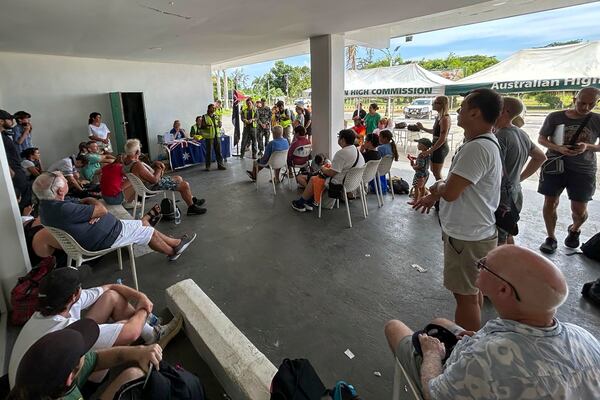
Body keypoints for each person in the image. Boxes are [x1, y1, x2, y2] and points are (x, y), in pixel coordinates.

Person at [384, 245, 600, 400]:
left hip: (463, 375)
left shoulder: (485, 358)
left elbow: (434, 394)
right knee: (440, 322)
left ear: (504, 290)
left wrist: (432, 354)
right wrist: (479, 340)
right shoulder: (584, 337)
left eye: (483, 265)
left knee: (394, 327)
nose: (478, 267)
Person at [412, 88, 503, 331]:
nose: (458, 111)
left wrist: (439, 186)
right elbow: (460, 187)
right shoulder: (483, 143)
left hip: (467, 237)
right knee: (472, 293)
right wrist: (434, 197)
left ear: (475, 113)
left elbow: (451, 190)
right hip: (473, 232)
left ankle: (466, 349)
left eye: (462, 108)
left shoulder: (477, 148)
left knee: (464, 297)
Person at [8, 267, 182, 388]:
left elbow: (111, 287)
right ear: (74, 295)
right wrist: (144, 309)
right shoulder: (64, 331)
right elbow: (131, 332)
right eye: (79, 286)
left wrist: (140, 296)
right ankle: (151, 336)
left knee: (111, 297)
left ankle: (152, 334)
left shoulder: (47, 309)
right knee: (125, 328)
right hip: (57, 389)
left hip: (27, 381)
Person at [32, 172, 196, 261]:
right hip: (103, 237)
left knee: (142, 224)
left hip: (94, 233)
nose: (68, 182)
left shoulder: (46, 207)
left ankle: (175, 243)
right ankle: (172, 250)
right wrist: (92, 203)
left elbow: (82, 205)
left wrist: (89, 212)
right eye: (66, 182)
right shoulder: (65, 209)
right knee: (146, 231)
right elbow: (101, 209)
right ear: (60, 191)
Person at [8, 319, 166, 399]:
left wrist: (139, 351)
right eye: (83, 351)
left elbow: (97, 357)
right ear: (70, 377)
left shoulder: (38, 381)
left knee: (133, 375)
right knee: (134, 376)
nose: (88, 350)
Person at [537, 87, 600, 254]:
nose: (586, 108)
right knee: (550, 203)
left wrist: (587, 146)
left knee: (579, 210)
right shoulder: (555, 117)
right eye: (582, 103)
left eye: (591, 104)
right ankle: (551, 238)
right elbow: (541, 139)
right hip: (555, 165)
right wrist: (558, 147)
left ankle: (575, 229)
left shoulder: (597, 119)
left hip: (583, 169)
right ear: (574, 99)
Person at [494, 97, 546, 245]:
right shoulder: (520, 133)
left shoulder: (500, 137)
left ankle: (499, 267)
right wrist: (519, 178)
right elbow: (540, 157)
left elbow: (493, 171)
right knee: (508, 232)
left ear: (503, 111)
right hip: (515, 192)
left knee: (498, 239)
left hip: (501, 196)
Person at [123, 139, 208, 215]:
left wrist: (153, 164)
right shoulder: (137, 165)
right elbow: (155, 180)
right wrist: (158, 169)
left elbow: (142, 172)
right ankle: (191, 208)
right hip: (151, 187)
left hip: (144, 186)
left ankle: (192, 200)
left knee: (178, 178)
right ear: (137, 152)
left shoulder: (126, 161)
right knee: (185, 185)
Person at [291, 129, 365, 212]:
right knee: (316, 177)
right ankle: (309, 201)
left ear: (343, 140)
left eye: (339, 137)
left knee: (313, 179)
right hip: (352, 183)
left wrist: (323, 168)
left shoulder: (342, 153)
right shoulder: (356, 150)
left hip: (339, 184)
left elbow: (331, 173)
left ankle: (301, 203)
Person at [1, 109, 32, 209]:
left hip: (17, 167)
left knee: (26, 193)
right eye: (9, 119)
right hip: (14, 169)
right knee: (22, 197)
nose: (12, 122)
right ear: (1, 121)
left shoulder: (5, 134)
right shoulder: (7, 134)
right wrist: (9, 170)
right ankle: (25, 221)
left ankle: (27, 218)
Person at [416, 96, 452, 180]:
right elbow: (435, 131)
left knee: (436, 172)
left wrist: (429, 151)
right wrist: (422, 128)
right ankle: (439, 189)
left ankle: (441, 190)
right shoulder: (439, 117)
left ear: (442, 105)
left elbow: (442, 138)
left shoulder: (445, 119)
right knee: (433, 170)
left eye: (435, 102)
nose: (433, 104)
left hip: (440, 148)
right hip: (436, 146)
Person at [200, 103, 226, 171]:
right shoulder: (204, 117)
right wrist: (207, 126)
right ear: (208, 109)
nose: (214, 109)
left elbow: (219, 124)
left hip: (217, 136)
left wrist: (220, 124)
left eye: (214, 108)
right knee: (209, 152)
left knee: (219, 152)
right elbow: (201, 126)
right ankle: (208, 166)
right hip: (209, 137)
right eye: (212, 108)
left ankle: (220, 165)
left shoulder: (216, 116)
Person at [408, 138, 432, 202]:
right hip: (426, 173)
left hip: (419, 174)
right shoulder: (427, 154)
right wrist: (416, 158)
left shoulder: (421, 155)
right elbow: (423, 161)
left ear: (424, 146)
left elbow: (420, 165)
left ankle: (415, 201)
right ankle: (421, 198)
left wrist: (413, 166)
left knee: (416, 187)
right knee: (422, 186)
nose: (417, 145)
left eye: (419, 144)